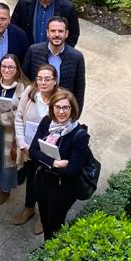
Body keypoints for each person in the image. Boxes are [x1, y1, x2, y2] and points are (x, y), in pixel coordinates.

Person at [29, 89, 91, 239]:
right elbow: (32, 151)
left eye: (66, 107)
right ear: (52, 108)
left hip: (62, 187)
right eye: (57, 107)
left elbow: (72, 170)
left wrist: (42, 160)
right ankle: (47, 244)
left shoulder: (79, 135)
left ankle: (53, 251)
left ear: (72, 109)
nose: (61, 112)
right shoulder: (46, 122)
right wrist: (54, 163)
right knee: (44, 217)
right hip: (42, 180)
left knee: (55, 222)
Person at [12, 64, 58, 230]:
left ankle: (43, 214)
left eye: (47, 79)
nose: (43, 82)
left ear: (55, 81)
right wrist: (21, 143)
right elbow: (18, 118)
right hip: (28, 148)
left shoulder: (60, 99)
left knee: (46, 183)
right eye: (39, 78)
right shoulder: (30, 92)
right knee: (31, 179)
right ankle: (29, 208)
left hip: (48, 151)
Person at [0, 53, 29, 207]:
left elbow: (22, 113)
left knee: (8, 160)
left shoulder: (24, 87)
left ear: (17, 69)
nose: (7, 70)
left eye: (11, 67)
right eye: (4, 66)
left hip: (11, 132)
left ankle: (5, 188)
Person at [24, 16, 86, 111]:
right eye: (53, 31)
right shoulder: (33, 51)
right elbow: (25, 79)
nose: (57, 34)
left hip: (62, 110)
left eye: (60, 31)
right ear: (47, 33)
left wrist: (76, 114)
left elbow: (79, 89)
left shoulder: (76, 57)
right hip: (36, 105)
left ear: (66, 33)